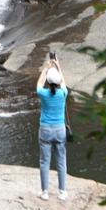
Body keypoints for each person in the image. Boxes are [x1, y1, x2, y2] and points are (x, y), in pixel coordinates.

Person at [36, 53, 68, 202]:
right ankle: (62, 192)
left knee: (44, 161)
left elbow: (39, 83)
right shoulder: (63, 93)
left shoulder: (43, 93)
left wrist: (46, 67)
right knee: (61, 161)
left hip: (45, 130)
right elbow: (63, 82)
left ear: (48, 82)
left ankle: (45, 192)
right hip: (60, 130)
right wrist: (58, 65)